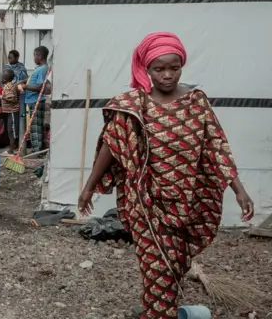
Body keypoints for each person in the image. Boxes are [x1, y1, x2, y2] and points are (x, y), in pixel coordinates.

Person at [77, 32, 255, 319]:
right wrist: (89, 187)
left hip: (188, 200)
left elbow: (216, 145)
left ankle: (155, 309)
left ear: (182, 65)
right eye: (159, 69)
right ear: (146, 69)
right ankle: (160, 312)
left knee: (175, 262)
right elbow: (111, 146)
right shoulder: (133, 106)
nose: (167, 75)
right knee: (155, 264)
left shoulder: (196, 102)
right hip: (145, 200)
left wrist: (239, 188)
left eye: (174, 68)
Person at [19, 46, 49, 153]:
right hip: (32, 100)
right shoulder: (39, 68)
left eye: (35, 56)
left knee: (35, 127)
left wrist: (25, 87)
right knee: (34, 126)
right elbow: (33, 80)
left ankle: (37, 150)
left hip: (35, 101)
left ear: (40, 56)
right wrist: (23, 81)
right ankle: (37, 148)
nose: (34, 58)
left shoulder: (42, 69)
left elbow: (40, 87)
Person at [0, 69, 20, 156]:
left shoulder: (8, 87)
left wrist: (1, 97)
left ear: (4, 79)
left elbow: (12, 99)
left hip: (12, 112)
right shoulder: (11, 85)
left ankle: (12, 150)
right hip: (10, 112)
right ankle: (12, 148)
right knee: (10, 130)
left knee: (11, 131)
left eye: (2, 76)